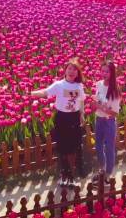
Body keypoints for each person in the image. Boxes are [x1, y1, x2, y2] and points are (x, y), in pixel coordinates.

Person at [32, 59, 86, 188]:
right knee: (62, 147)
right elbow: (45, 92)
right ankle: (64, 175)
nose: (72, 71)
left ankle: (71, 176)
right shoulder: (59, 85)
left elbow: (81, 101)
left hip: (74, 118)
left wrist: (82, 114)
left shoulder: (79, 86)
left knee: (73, 148)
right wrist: (31, 94)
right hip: (62, 118)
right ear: (65, 70)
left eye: (75, 69)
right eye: (69, 68)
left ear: (78, 73)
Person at [92, 61, 121, 186]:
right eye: (102, 71)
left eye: (107, 72)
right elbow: (97, 99)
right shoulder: (98, 84)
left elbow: (114, 113)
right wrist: (93, 103)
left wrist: (99, 106)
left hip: (109, 121)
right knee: (98, 146)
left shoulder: (115, 91)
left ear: (112, 73)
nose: (104, 74)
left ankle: (108, 174)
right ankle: (102, 169)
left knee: (109, 148)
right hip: (99, 119)